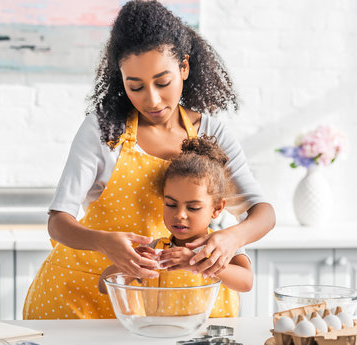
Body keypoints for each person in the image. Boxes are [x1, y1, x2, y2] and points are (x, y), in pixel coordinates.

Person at [23, 0, 275, 320]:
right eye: (136, 86)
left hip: (154, 310)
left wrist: (232, 237)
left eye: (162, 81)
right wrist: (104, 243)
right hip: (79, 299)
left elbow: (263, 213)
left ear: (183, 67)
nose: (152, 100)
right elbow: (58, 222)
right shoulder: (104, 130)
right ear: (122, 79)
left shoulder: (210, 132)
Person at [99, 135, 253, 317]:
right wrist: (134, 263)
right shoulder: (156, 249)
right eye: (171, 205)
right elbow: (103, 284)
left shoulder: (222, 246)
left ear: (217, 208)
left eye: (193, 207)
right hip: (164, 337)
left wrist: (195, 262)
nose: (179, 215)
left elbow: (246, 282)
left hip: (214, 341)